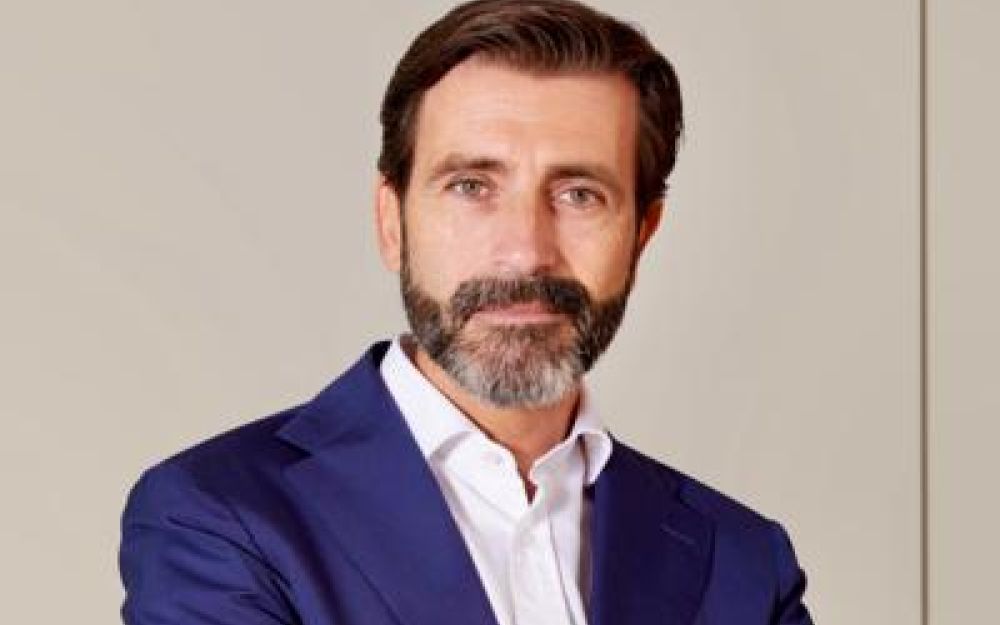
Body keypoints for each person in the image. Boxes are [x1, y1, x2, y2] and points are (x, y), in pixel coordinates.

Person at [119, 1, 814, 624]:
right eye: (472, 186)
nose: (525, 251)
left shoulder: (745, 563)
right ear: (391, 221)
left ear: (642, 232)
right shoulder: (216, 518)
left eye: (579, 194)